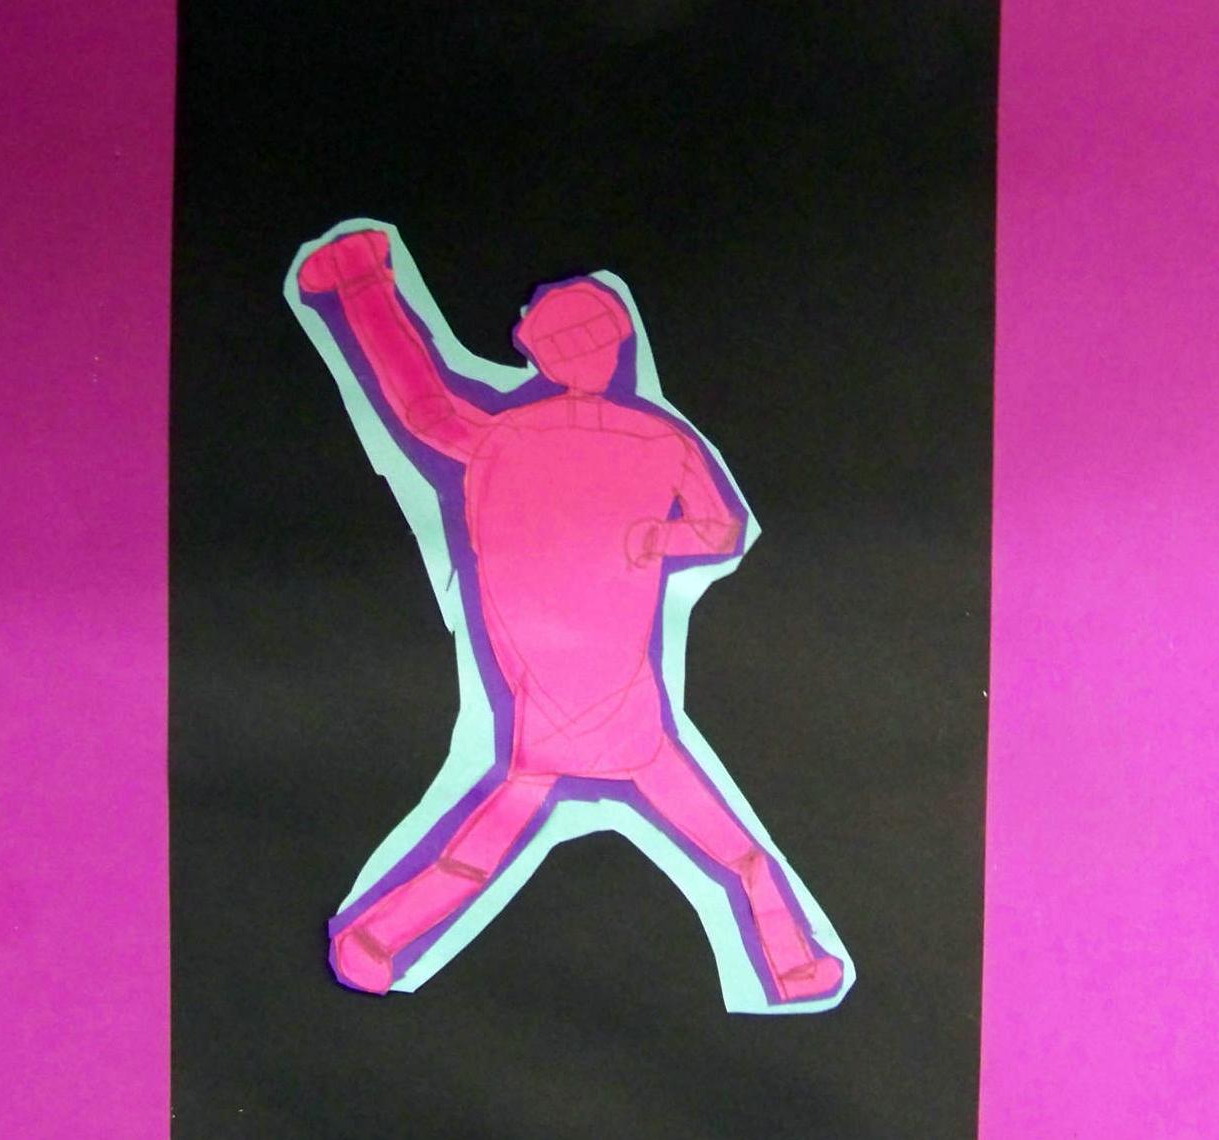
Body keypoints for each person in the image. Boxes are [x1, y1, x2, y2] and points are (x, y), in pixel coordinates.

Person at [296, 228, 844, 1004]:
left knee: (490, 841)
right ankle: (790, 966)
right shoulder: (646, 438)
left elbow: (421, 404)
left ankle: (375, 939)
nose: (587, 355)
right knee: (727, 853)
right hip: (591, 704)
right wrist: (658, 537)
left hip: (597, 704)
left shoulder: (514, 436)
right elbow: (719, 528)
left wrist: (362, 290)